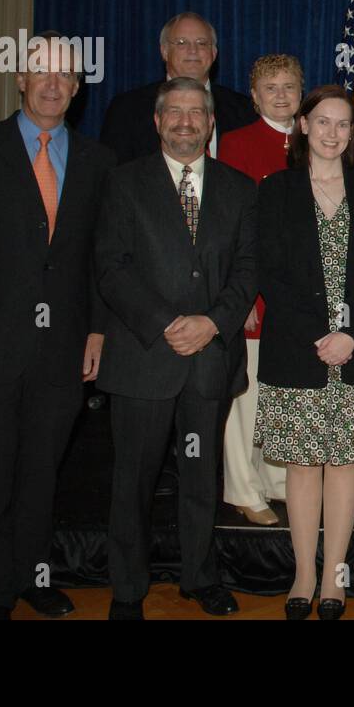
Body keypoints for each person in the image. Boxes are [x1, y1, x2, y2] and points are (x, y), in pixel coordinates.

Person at [0, 33, 114, 619]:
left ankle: (31, 576)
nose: (53, 83)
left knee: (40, 471)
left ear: (78, 87)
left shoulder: (97, 161)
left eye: (65, 75)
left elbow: (99, 258)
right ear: (19, 79)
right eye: (41, 72)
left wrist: (98, 330)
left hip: (62, 349)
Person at [95, 77, 257, 620]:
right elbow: (111, 268)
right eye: (175, 112)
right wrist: (168, 324)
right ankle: (127, 590)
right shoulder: (123, 183)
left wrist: (212, 324)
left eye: (197, 113)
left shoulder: (239, 188)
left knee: (199, 476)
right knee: (133, 481)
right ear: (157, 121)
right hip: (144, 357)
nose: (186, 121)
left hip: (210, 359)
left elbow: (248, 269)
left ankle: (200, 577)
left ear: (211, 123)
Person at [254, 85, 354, 621]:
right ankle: (303, 573)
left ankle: (335, 575)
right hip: (298, 349)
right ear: (304, 127)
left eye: (343, 124)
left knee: (344, 463)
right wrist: (321, 336)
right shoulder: (275, 190)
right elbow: (270, 273)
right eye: (323, 122)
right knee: (302, 465)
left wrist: (350, 334)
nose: (333, 133)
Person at [217, 54, 303, 524]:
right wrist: (243, 294)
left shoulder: (312, 140)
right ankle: (243, 488)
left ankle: (275, 478)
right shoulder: (237, 143)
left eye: (290, 86)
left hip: (296, 295)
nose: (281, 95)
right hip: (256, 292)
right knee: (244, 396)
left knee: (280, 394)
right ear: (254, 96)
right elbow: (231, 226)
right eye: (271, 87)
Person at [99, 11, 255, 164]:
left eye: (202, 43)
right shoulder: (127, 108)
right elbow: (112, 177)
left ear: (214, 53)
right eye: (181, 42)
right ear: (164, 51)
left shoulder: (244, 110)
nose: (193, 50)